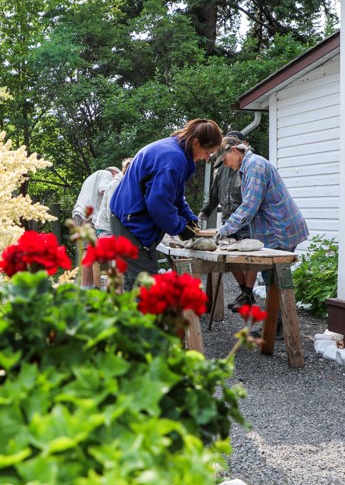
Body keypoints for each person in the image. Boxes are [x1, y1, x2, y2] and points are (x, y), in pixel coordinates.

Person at [109, 118, 224, 291]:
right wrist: (180, 227)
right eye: (207, 152)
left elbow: (176, 197)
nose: (206, 158)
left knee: (134, 287)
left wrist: (189, 219)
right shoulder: (173, 160)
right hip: (132, 224)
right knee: (147, 289)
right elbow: (158, 205)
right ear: (196, 143)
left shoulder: (176, 151)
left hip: (125, 218)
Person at [214, 135, 309, 335]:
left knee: (274, 276)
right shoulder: (248, 166)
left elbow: (249, 206)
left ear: (233, 151)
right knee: (272, 277)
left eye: (224, 160)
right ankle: (277, 327)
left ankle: (279, 328)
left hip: (280, 229)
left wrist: (223, 231)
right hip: (276, 228)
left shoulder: (254, 166)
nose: (226, 165)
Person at [199, 130, 258, 312]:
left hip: (246, 221)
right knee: (231, 261)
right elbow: (214, 194)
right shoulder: (223, 168)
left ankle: (248, 295)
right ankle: (245, 294)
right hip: (228, 221)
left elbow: (251, 201)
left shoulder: (249, 166)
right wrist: (203, 213)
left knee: (251, 260)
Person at [72, 165, 121, 288]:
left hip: (79, 214)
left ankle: (89, 286)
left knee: (88, 251)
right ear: (114, 173)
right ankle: (87, 288)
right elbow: (105, 191)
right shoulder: (106, 174)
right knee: (89, 251)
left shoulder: (92, 177)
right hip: (89, 216)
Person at [94, 157, 132, 239]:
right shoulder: (115, 184)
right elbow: (110, 211)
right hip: (107, 230)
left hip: (114, 229)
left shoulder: (125, 184)